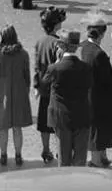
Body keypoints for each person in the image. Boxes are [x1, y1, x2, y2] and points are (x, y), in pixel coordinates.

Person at [43, 29, 93, 167]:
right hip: (82, 115)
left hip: (61, 117)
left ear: (62, 46)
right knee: (80, 159)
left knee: (63, 159)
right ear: (76, 47)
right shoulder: (86, 67)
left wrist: (57, 62)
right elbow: (90, 86)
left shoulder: (54, 68)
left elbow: (43, 86)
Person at [0, 25, 32, 167]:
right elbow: (27, 76)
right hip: (19, 91)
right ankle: (18, 155)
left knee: (3, 127)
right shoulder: (23, 54)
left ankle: (3, 155)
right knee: (17, 127)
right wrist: (26, 90)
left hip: (2, 91)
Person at [80, 12, 112, 168]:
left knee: (96, 127)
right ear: (101, 34)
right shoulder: (99, 54)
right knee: (99, 129)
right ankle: (96, 161)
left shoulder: (82, 47)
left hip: (86, 94)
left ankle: (101, 157)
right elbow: (108, 77)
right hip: (99, 96)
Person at [33, 6, 67, 163]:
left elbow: (36, 65)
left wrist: (36, 85)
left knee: (44, 122)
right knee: (58, 122)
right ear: (55, 25)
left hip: (43, 85)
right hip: (56, 87)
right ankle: (60, 150)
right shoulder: (58, 43)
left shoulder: (40, 41)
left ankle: (45, 149)